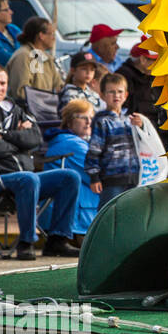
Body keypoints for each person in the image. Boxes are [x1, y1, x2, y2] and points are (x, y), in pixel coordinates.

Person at [0, 62, 81, 259]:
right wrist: (18, 140)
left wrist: (3, 135)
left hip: (26, 179)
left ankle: (57, 240)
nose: (0, 88)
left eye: (3, 83)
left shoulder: (13, 109)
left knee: (70, 177)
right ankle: (26, 242)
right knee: (28, 179)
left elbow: (35, 139)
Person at [41, 99, 100, 239]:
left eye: (91, 117)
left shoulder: (68, 141)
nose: (88, 122)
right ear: (69, 121)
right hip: (74, 221)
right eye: (83, 117)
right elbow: (96, 176)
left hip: (59, 217)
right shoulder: (73, 145)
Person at [86, 72, 145, 207]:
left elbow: (144, 144)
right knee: (108, 213)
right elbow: (93, 151)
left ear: (126, 95)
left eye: (119, 91)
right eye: (111, 92)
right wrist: (94, 177)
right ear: (102, 95)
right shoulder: (102, 121)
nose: (116, 95)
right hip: (111, 179)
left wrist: (142, 127)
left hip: (134, 178)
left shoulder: (131, 120)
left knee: (129, 214)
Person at [5, 17, 64, 99]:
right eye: (52, 34)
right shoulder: (23, 57)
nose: (54, 38)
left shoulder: (47, 58)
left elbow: (59, 86)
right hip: (26, 110)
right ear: (41, 36)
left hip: (46, 108)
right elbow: (20, 92)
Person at [0, 0, 21, 65]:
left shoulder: (13, 29)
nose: (11, 12)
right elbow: (3, 57)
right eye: (6, 10)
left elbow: (29, 46)